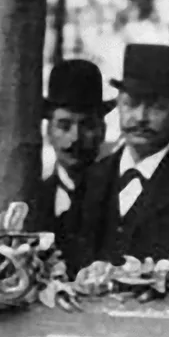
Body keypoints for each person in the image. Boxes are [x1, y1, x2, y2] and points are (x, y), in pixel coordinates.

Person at [61, 44, 169, 271]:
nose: (140, 118)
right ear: (118, 105)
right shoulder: (93, 178)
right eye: (131, 104)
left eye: (156, 107)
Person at [32, 58, 110, 232]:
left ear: (102, 131)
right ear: (48, 131)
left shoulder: (118, 195)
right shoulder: (33, 199)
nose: (75, 138)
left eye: (87, 126)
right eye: (64, 126)